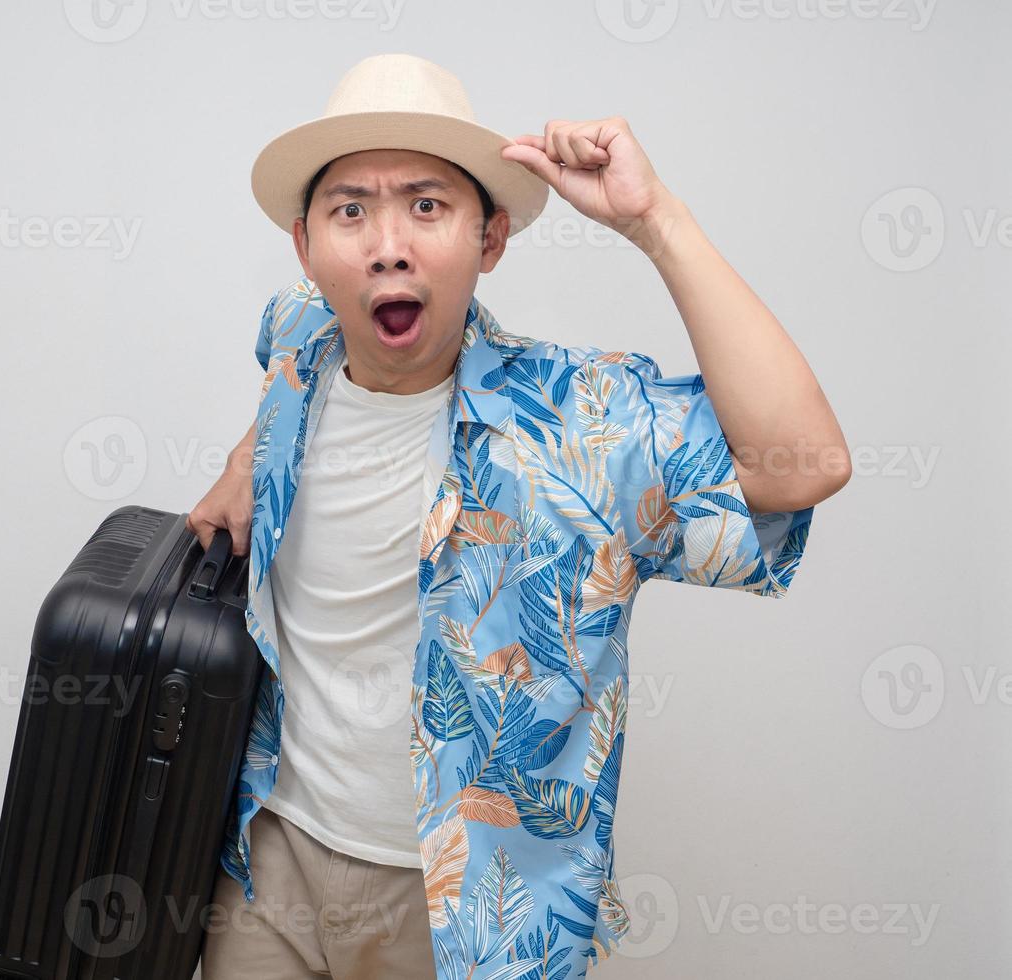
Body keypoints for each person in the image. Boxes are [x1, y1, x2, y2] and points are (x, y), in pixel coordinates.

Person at [191, 53, 850, 980]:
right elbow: (286, 361)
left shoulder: (580, 424)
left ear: (490, 238)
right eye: (351, 210)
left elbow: (805, 464)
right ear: (306, 248)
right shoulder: (301, 334)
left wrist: (655, 223)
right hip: (269, 857)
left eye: (426, 206)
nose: (387, 245)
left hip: (465, 907)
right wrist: (241, 465)